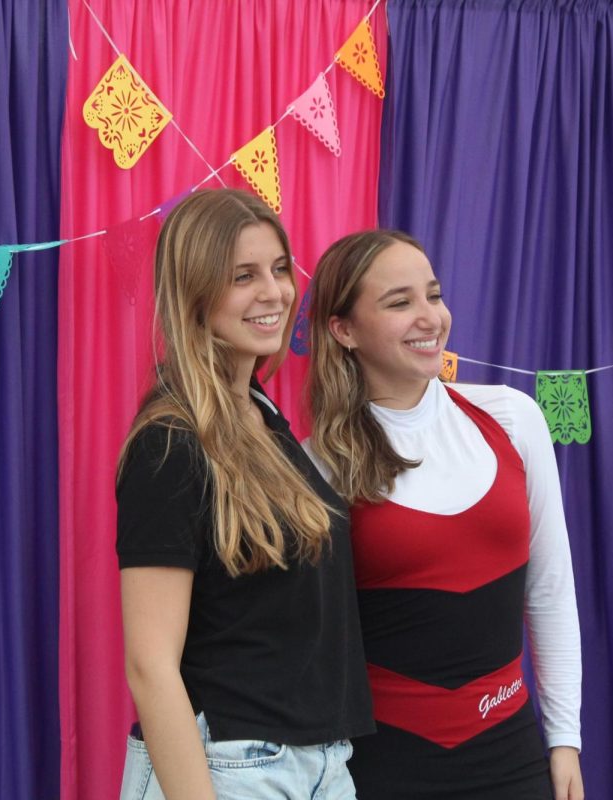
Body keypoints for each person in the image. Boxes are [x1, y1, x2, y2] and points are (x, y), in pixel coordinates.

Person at [304, 230, 584, 800]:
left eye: (433, 295)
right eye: (400, 302)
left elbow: (550, 590)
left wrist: (565, 739)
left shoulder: (513, 418)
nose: (430, 316)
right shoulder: (318, 465)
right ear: (344, 330)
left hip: (512, 758)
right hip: (383, 766)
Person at [114, 189, 374, 800]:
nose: (275, 292)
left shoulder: (260, 418)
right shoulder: (170, 443)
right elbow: (150, 666)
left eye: (280, 269)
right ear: (195, 292)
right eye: (243, 276)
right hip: (232, 770)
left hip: (319, 766)